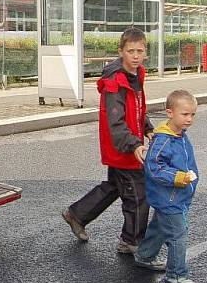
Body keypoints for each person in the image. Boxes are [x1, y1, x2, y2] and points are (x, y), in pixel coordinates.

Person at [62, 27, 154, 253]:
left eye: (139, 51)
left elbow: (138, 108)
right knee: (138, 195)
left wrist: (147, 128)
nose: (135, 55)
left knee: (115, 186)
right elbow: (116, 122)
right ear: (121, 51)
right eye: (130, 51)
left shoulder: (136, 73)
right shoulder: (115, 82)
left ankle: (77, 214)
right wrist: (135, 145)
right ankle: (131, 241)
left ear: (145, 52)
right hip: (123, 148)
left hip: (127, 145)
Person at [134, 90, 199, 283]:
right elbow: (154, 168)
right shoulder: (164, 140)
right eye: (185, 114)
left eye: (192, 115)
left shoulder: (179, 135)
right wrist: (179, 178)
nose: (189, 119)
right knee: (178, 233)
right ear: (170, 113)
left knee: (160, 227)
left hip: (174, 195)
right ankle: (177, 275)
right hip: (169, 197)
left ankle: (145, 255)